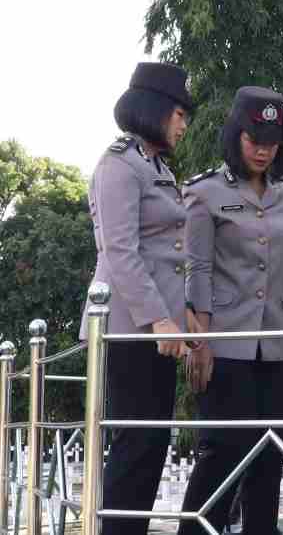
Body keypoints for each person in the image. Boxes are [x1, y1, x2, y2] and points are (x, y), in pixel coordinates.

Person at [178, 87, 283, 535]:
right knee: (222, 452)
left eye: (272, 142)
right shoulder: (204, 192)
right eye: (253, 139)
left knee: (270, 453)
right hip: (225, 344)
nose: (263, 150)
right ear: (235, 136)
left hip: (280, 344)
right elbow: (198, 270)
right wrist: (202, 343)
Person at [78, 62, 193, 535]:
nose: (183, 126)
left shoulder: (154, 165)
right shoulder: (120, 164)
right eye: (180, 115)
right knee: (135, 447)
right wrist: (159, 320)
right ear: (155, 109)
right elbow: (120, 251)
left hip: (156, 329)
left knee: (150, 446)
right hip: (130, 328)